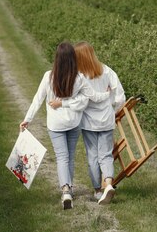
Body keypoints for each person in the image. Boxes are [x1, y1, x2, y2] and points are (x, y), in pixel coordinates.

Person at [20, 42, 110, 210]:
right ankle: (70, 187)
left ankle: (66, 190)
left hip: (56, 125)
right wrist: (107, 93)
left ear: (57, 58)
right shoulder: (79, 78)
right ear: (72, 59)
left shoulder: (48, 76)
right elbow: (94, 97)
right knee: (70, 156)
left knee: (62, 157)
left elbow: (37, 100)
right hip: (74, 123)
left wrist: (27, 119)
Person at [51, 41, 125, 205]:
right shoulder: (106, 70)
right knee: (105, 155)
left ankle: (98, 190)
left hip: (88, 122)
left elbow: (72, 99)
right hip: (106, 119)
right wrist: (114, 110)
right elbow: (120, 96)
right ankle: (108, 182)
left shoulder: (78, 77)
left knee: (92, 156)